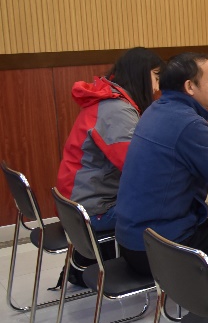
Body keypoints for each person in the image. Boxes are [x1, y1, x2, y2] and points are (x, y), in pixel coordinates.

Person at [115, 53, 208, 275]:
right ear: (189, 86)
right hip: (159, 247)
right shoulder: (188, 123)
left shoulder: (157, 110)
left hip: (135, 239)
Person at [57, 47, 164, 234]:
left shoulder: (111, 102)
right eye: (156, 77)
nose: (157, 88)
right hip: (90, 210)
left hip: (76, 202)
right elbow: (137, 167)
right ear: (140, 75)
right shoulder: (116, 109)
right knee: (170, 209)